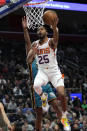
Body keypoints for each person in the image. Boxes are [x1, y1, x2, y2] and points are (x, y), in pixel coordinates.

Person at [22, 16, 70, 131]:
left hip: (47, 83)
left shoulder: (46, 45)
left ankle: (64, 122)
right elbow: (27, 42)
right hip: (38, 87)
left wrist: (54, 29)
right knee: (39, 115)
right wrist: (25, 30)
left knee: (56, 106)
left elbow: (54, 39)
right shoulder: (33, 53)